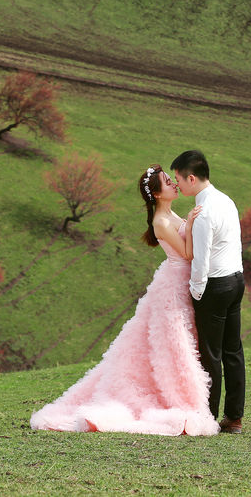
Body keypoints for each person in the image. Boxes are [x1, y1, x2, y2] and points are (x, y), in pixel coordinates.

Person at [29, 164, 220, 436]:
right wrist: (191, 224)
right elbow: (188, 254)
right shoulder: (161, 222)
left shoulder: (169, 214)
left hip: (181, 283)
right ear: (157, 194)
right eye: (168, 182)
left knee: (178, 342)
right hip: (174, 287)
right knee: (175, 344)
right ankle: (182, 398)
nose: (174, 184)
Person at [171, 150, 245, 435]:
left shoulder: (203, 214)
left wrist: (195, 293)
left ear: (192, 178)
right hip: (236, 279)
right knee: (233, 351)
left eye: (179, 179)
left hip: (214, 285)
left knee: (210, 354)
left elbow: (199, 262)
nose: (177, 185)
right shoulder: (226, 200)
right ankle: (234, 418)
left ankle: (209, 417)